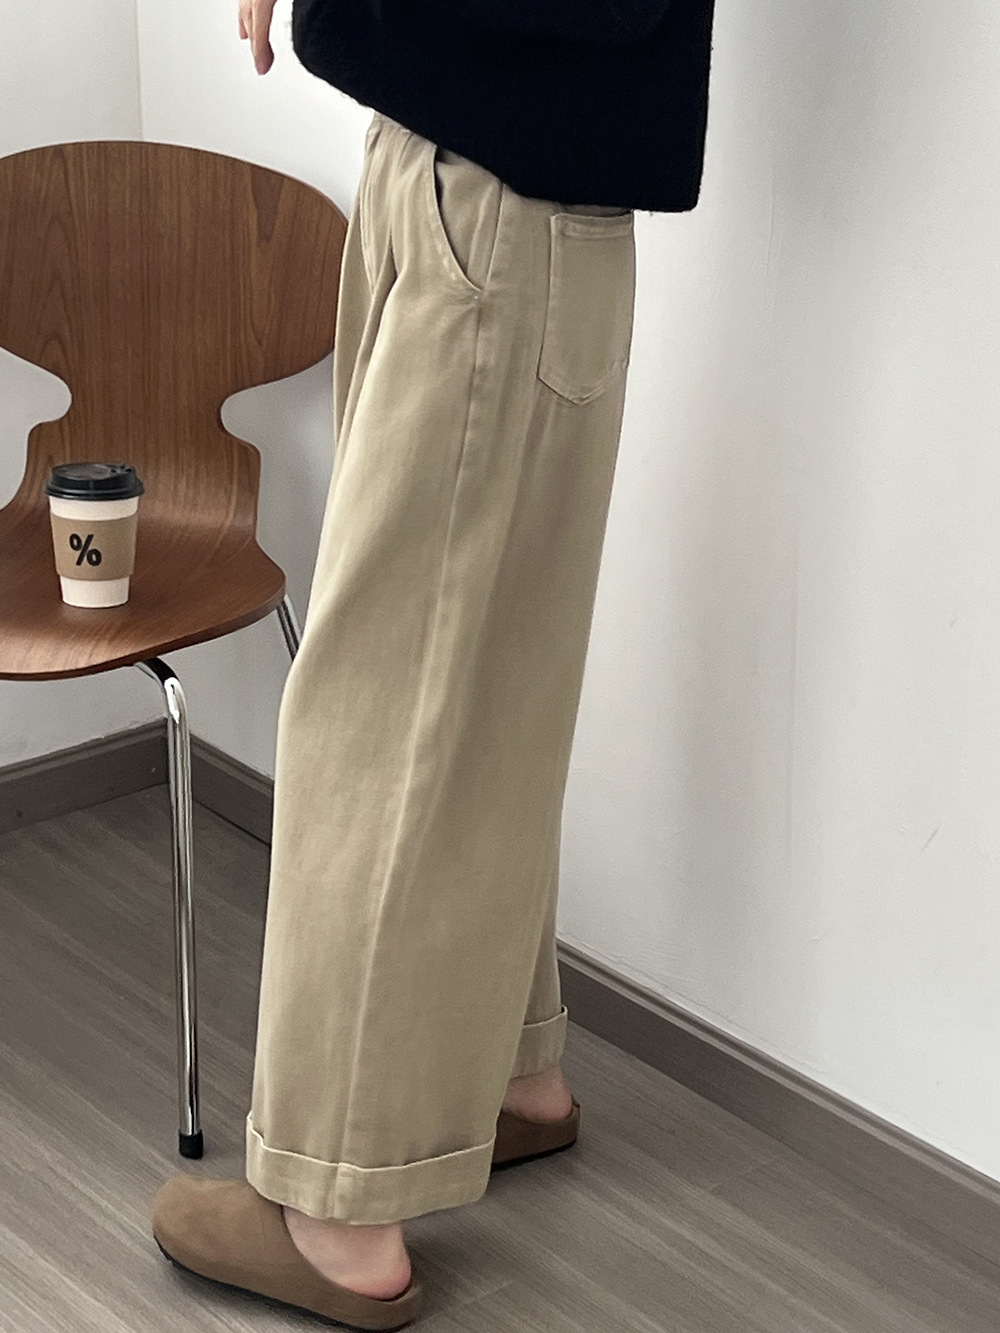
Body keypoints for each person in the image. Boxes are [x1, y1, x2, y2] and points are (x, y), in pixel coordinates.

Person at [149, 0, 715, 1328]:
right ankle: (508, 1073)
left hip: (498, 210)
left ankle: (340, 1212)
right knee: (482, 684)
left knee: (379, 712)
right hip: (469, 182)